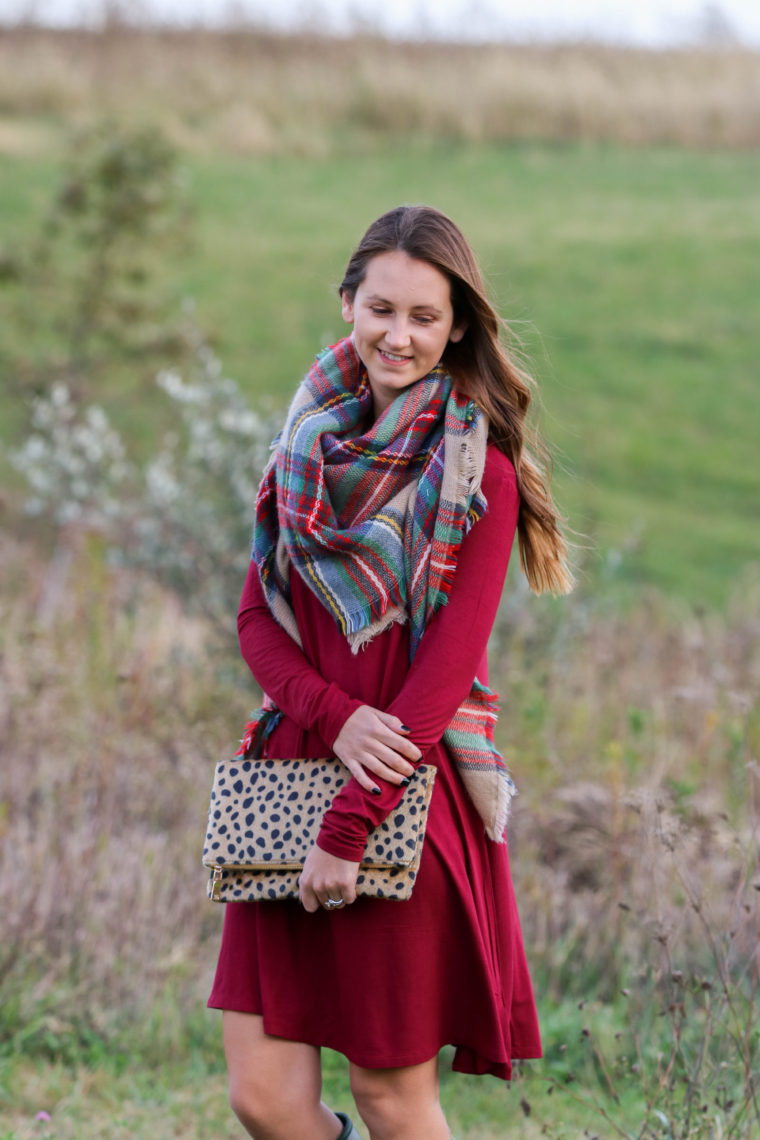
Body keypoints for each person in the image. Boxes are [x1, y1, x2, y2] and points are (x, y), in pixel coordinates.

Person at [208, 204, 573, 1140]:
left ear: (456, 329)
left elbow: (441, 679)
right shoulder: (304, 447)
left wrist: (349, 824)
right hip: (291, 772)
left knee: (391, 1099)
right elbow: (258, 616)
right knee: (264, 1097)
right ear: (347, 305)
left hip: (398, 797)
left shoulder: (477, 476)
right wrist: (330, 717)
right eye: (381, 309)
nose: (398, 336)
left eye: (423, 317)